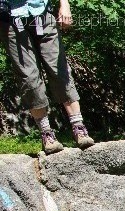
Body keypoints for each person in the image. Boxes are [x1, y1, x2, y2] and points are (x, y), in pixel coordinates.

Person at [0, 0, 95, 154]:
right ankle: (47, 134)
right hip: (10, 18)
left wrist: (65, 5)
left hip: (42, 13)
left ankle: (79, 128)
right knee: (29, 77)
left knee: (59, 71)